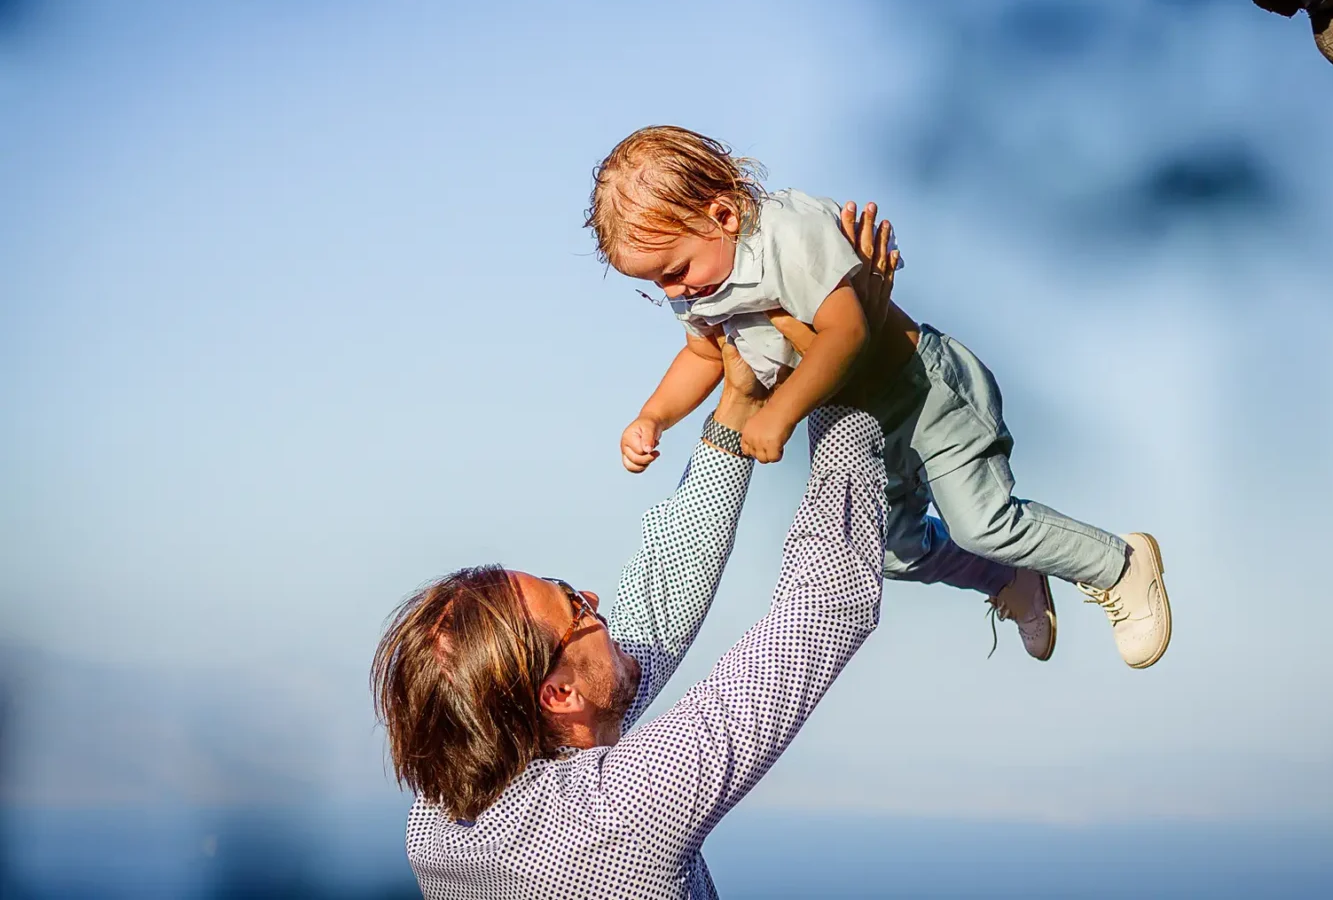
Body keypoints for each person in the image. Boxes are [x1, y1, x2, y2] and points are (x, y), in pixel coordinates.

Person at [370, 219, 898, 900]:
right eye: (576, 610)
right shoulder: (618, 815)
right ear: (556, 695)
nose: (594, 600)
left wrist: (736, 403)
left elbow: (655, 604)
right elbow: (828, 603)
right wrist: (849, 371)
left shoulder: (439, 823)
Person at [585, 126, 1171, 669]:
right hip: (863, 425)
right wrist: (653, 416)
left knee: (982, 521)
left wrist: (780, 415)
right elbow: (704, 355)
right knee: (890, 551)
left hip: (924, 393)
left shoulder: (788, 235)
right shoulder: (703, 283)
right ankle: (1006, 577)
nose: (675, 290)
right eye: (658, 282)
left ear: (722, 214)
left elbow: (848, 332)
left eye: (675, 270)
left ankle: (1120, 564)